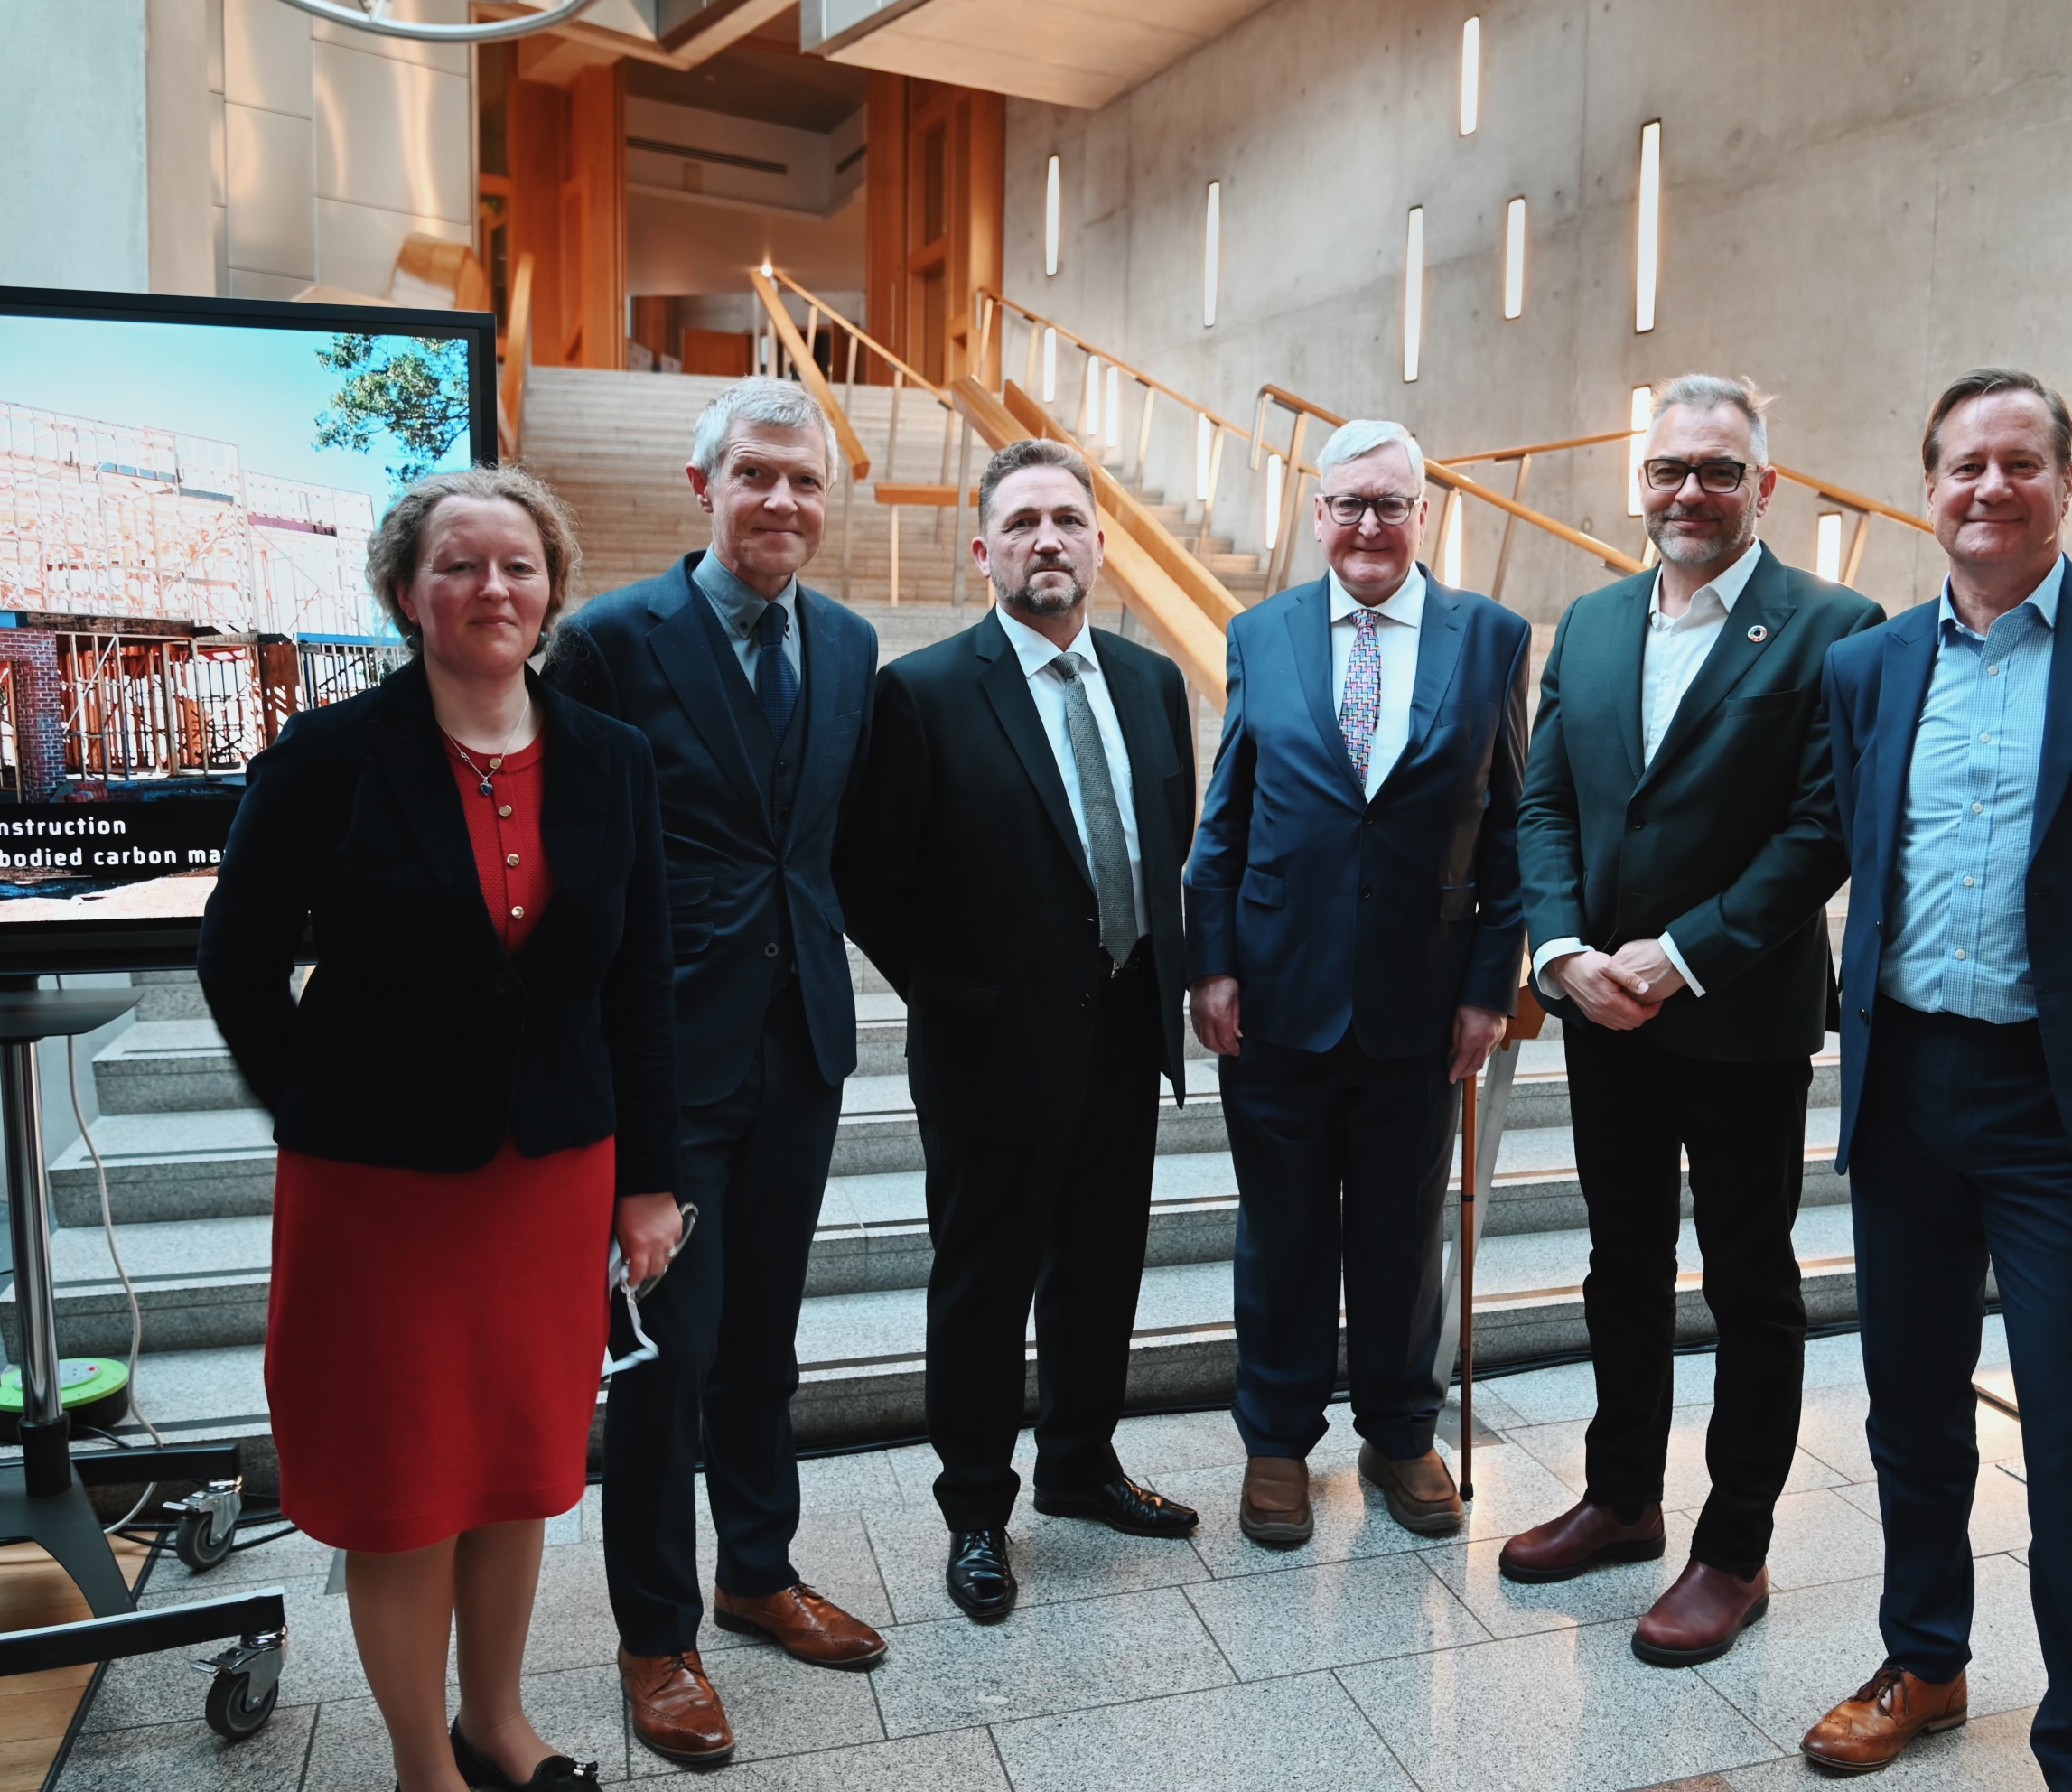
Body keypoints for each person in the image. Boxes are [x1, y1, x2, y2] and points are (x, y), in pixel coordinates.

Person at [199, 466, 677, 1792]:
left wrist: (653, 1181)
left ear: (552, 592)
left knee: (518, 1466)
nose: (492, 589)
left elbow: (638, 981)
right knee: (407, 1483)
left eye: (518, 567)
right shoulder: (329, 759)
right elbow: (237, 959)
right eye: (458, 566)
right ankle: (425, 1765)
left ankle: (499, 1724)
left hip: (551, 1173)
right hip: (382, 1187)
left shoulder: (612, 760)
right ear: (407, 594)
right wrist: (317, 1102)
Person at [1806, 369, 2072, 1785]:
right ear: (1926, 488)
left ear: (2066, 483)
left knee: (2071, 1433)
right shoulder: (1868, 665)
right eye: (1963, 466)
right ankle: (1926, 1662)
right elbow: (1858, 854)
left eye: (2020, 463)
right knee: (1910, 1403)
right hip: (1909, 1082)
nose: (1990, 488)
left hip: (2059, 1105)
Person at [1507, 374, 1885, 1665]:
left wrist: (1679, 955)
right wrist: (1561, 951)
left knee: (1748, 1282)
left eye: (1720, 470)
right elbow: (1543, 802)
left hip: (1737, 1016)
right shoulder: (1596, 618)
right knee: (1621, 1265)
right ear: (1641, 480)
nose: (1691, 491)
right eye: (1670, 468)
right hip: (1603, 1016)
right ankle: (1621, 1499)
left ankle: (1734, 1549)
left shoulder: (1835, 625)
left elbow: (1822, 829)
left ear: (1764, 487)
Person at [545, 378, 885, 1768]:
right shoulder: (614, 642)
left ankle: (757, 1570)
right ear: (705, 488)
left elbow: (831, 845)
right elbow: (576, 875)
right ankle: (654, 1636)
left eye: (805, 482)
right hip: (666, 1062)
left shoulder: (854, 645)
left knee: (762, 1344)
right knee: (666, 1368)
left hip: (800, 1044)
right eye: (757, 476)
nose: (783, 504)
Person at [839, 438, 1199, 1622]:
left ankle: (1082, 1466)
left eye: (1069, 519)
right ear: (984, 551)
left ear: (1100, 545)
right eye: (1023, 522)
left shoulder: (1151, 685)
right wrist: (957, 987)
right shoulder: (926, 690)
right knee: (985, 1287)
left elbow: (1167, 847)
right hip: (990, 1048)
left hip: (1120, 1036)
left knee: (1101, 1270)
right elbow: (870, 877)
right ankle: (977, 1511)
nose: (1050, 538)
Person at [1187, 417, 1530, 1547]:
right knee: (1281, 1227)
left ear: (1423, 514)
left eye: (1391, 503)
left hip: (1421, 1003)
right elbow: (1226, 816)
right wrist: (1212, 961)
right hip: (1276, 994)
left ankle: (1399, 1429)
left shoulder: (1489, 638)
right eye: (1349, 504)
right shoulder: (1262, 633)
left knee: (1398, 1227)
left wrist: (1491, 982)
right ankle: (1278, 1440)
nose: (1369, 525)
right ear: (1317, 513)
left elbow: (1509, 832)